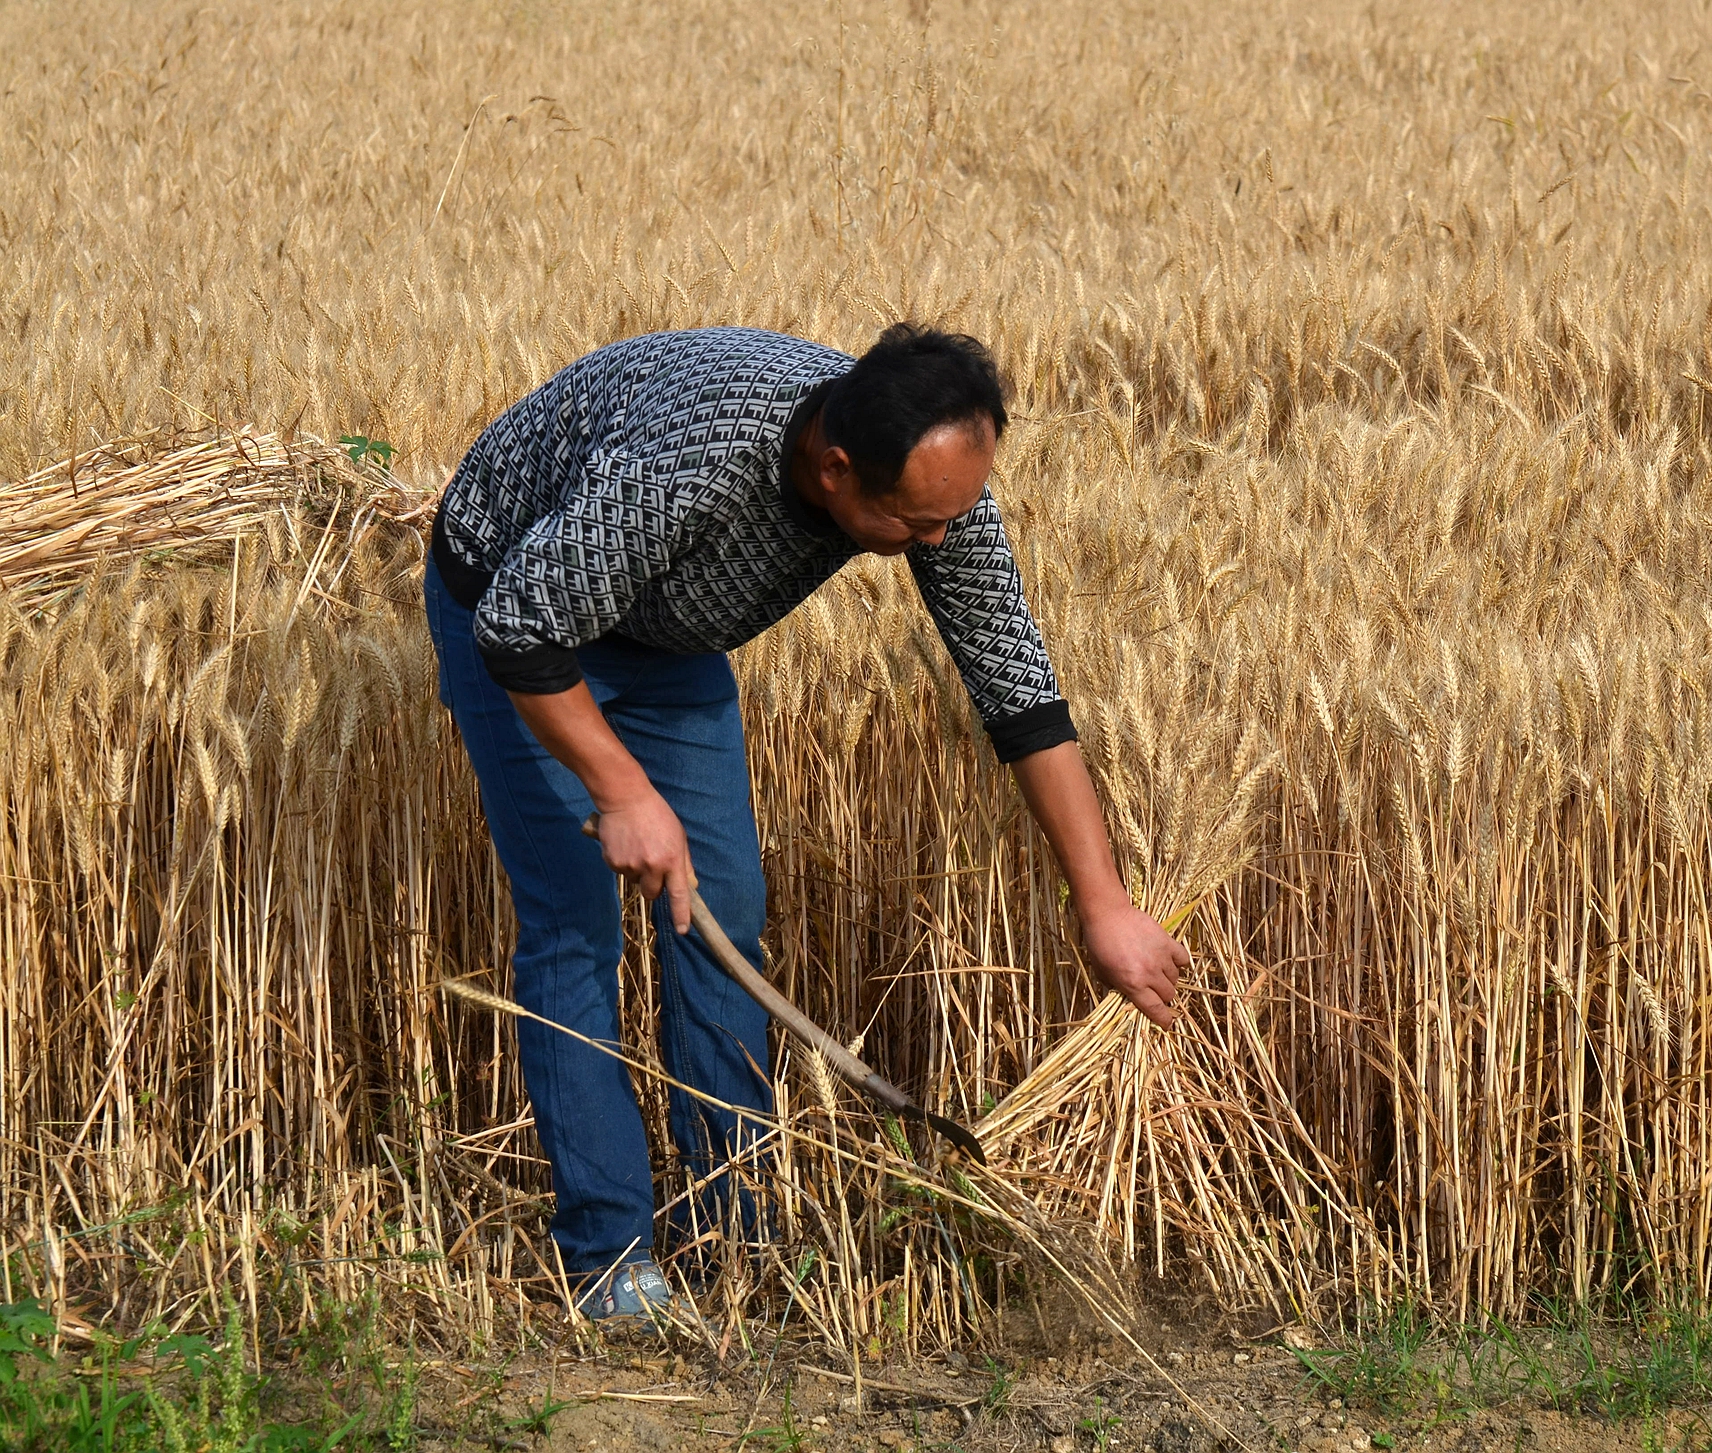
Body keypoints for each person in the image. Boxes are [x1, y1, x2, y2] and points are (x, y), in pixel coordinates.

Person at [422, 324, 1187, 1323]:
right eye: (915, 524)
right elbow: (524, 628)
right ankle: (608, 1262)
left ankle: (731, 1240)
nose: (941, 542)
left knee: (724, 911)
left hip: (667, 638)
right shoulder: (688, 463)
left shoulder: (929, 476)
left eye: (952, 513)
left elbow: (1017, 689)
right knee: (577, 925)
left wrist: (1104, 903)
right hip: (516, 607)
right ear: (833, 471)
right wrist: (620, 789)